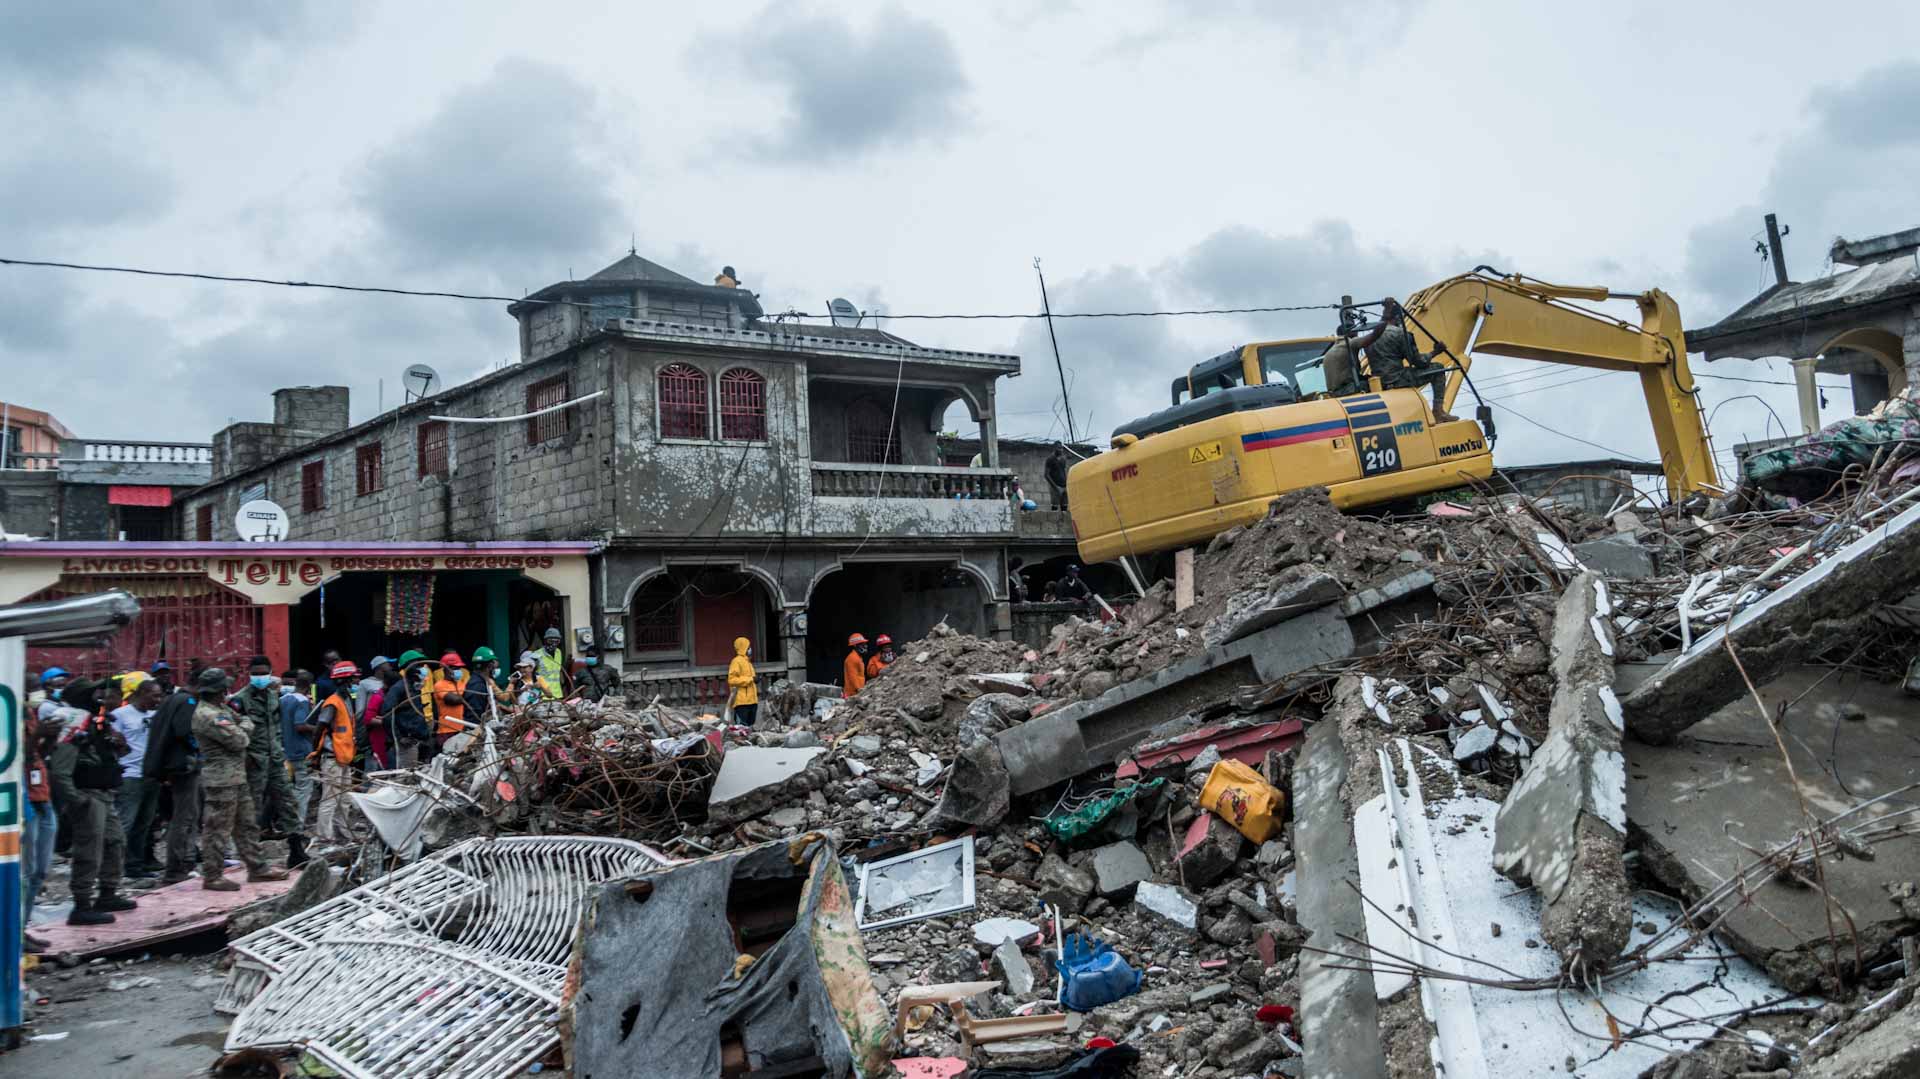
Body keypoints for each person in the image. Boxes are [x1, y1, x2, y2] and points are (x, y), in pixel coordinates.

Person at [192, 667, 288, 890]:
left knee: (247, 825)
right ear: (219, 690)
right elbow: (240, 740)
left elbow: (242, 724)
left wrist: (242, 725)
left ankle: (257, 868)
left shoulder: (220, 709)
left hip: (235, 777)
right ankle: (213, 875)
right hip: (221, 780)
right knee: (217, 829)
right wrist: (244, 725)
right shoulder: (209, 715)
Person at [48, 678, 134, 924]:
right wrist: (75, 799)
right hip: (87, 794)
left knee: (115, 841)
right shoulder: (73, 723)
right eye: (95, 694)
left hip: (104, 793)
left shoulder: (96, 724)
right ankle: (82, 904)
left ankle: (108, 893)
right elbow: (60, 769)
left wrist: (116, 743)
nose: (101, 699)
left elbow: (113, 754)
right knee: (89, 850)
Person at [143, 671, 203, 884]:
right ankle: (176, 868)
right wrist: (199, 748)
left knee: (186, 815)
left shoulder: (172, 700)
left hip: (173, 766)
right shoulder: (187, 701)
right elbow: (184, 731)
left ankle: (185, 862)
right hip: (183, 767)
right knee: (184, 817)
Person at [232, 656, 299, 844]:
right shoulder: (240, 700)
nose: (260, 677)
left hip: (276, 760)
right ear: (249, 674)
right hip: (254, 762)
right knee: (251, 806)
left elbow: (277, 727)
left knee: (288, 802)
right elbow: (234, 733)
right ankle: (250, 848)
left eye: (263, 673)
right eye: (256, 674)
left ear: (270, 673)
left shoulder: (273, 696)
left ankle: (296, 848)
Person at [1365, 298, 1457, 422]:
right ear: (1398, 318)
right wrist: (1435, 352)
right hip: (1397, 379)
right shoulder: (1401, 334)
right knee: (1438, 369)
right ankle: (1438, 412)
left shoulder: (1370, 337)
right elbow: (1419, 362)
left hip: (1379, 382)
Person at [110, 672, 165, 878]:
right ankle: (114, 867)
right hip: (130, 775)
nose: (158, 700)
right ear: (141, 694)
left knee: (144, 824)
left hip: (151, 775)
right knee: (126, 822)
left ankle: (135, 865)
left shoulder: (156, 715)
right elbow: (113, 744)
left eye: (159, 696)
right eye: (154, 696)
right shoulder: (120, 715)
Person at [312, 662, 360, 843]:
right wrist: (315, 754)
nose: (357, 681)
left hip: (344, 758)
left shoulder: (346, 700)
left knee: (344, 799)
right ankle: (324, 837)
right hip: (332, 758)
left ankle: (344, 834)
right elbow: (320, 728)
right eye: (354, 678)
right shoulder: (332, 703)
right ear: (346, 680)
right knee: (330, 799)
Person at [22, 702, 56, 940]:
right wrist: (37, 736)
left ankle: (22, 928)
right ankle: (16, 933)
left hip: (41, 798)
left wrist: (51, 739)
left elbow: (36, 755)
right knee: (26, 872)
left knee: (39, 872)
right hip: (25, 802)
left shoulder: (27, 713)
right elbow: (15, 757)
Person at [381, 650, 434, 768]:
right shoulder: (398, 688)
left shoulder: (415, 687)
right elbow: (387, 714)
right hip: (408, 744)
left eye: (422, 664)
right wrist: (400, 738)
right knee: (406, 778)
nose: (422, 668)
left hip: (421, 740)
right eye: (418, 664)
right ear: (408, 667)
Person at [280, 669, 317, 827]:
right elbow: (300, 725)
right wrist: (317, 728)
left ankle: (288, 821)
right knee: (304, 789)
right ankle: (297, 824)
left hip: (287, 749)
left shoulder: (284, 699)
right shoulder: (302, 701)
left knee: (293, 788)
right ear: (309, 686)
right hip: (302, 750)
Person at [360, 656, 396, 769]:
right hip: (372, 726)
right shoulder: (365, 684)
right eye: (388, 664)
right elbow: (360, 710)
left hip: (387, 730)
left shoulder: (391, 683)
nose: (390, 666)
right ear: (380, 667)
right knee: (374, 762)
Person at [726, 638, 759, 724]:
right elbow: (732, 680)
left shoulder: (748, 662)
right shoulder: (736, 661)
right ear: (743, 647)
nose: (750, 649)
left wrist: (754, 680)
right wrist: (751, 679)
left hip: (752, 701)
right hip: (741, 702)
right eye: (748, 647)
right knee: (741, 729)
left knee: (749, 728)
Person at [535, 628, 570, 699]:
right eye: (550, 641)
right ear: (545, 640)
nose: (553, 643)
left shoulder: (558, 652)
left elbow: (558, 672)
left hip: (557, 694)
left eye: (557, 641)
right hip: (543, 695)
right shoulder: (537, 654)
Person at [1045, 445, 1071, 510]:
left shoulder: (1063, 459)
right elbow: (1046, 475)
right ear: (1054, 448)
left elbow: (1064, 471)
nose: (1061, 450)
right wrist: (1056, 487)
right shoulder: (1050, 459)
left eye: (1062, 448)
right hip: (1056, 486)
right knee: (1055, 507)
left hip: (1064, 485)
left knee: (1064, 507)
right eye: (1059, 448)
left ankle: (1063, 520)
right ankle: (1053, 520)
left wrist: (1066, 484)